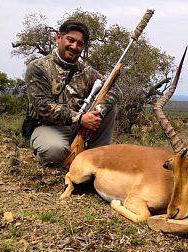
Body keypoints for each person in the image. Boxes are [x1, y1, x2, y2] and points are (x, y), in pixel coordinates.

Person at [25, 19, 122, 166]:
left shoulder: (87, 71)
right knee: (54, 152)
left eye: (80, 44)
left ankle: (98, 156)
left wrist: (98, 111)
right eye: (70, 40)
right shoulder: (38, 68)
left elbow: (115, 90)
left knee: (109, 105)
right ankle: (48, 148)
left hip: (79, 126)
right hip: (47, 126)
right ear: (58, 37)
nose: (74, 46)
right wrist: (81, 118)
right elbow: (43, 105)